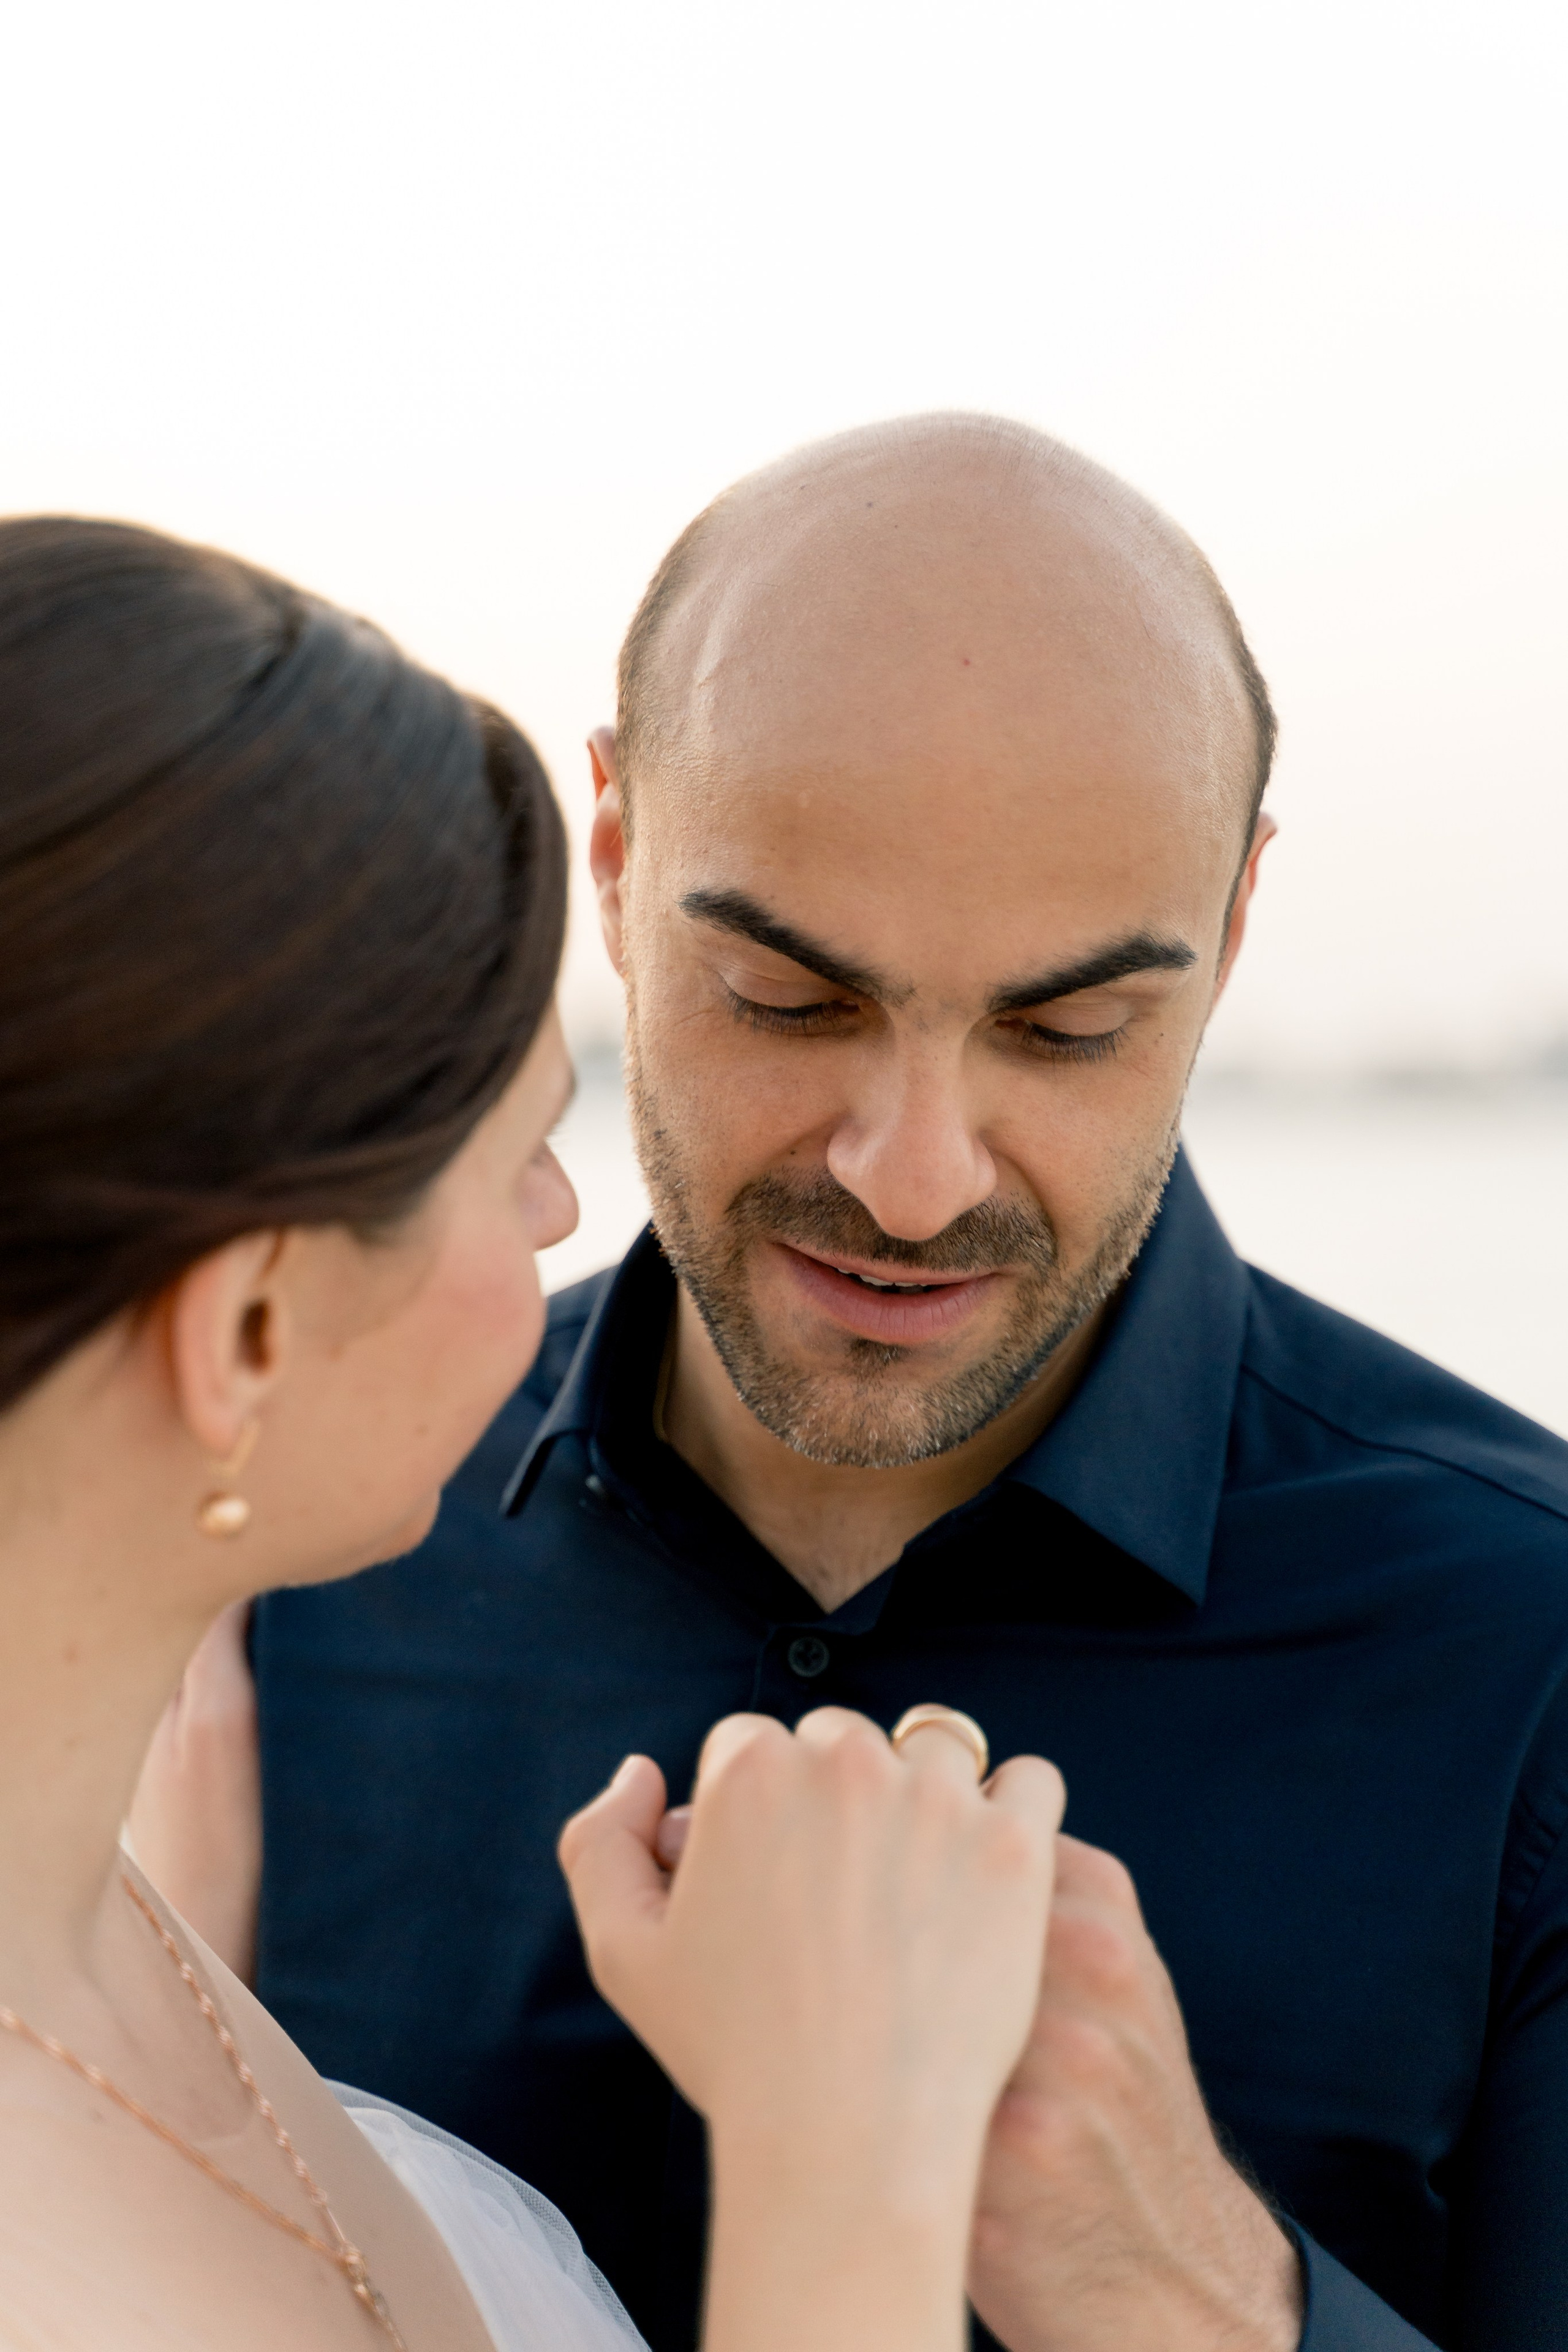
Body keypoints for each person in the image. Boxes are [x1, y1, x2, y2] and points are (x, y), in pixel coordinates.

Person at [143, 417, 1568, 2351]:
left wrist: (1187, 2293)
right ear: (624, 865)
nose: (915, 1176)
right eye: (790, 1002)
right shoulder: (255, 1570)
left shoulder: (1534, 1660)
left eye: (1066, 1032)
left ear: (1231, 936)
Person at [0, 512, 1070, 2352]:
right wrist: (847, 2171)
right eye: (515, 1160)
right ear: (252, 1327)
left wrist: (121, 1903)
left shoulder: (124, 1900)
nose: (567, 1227)